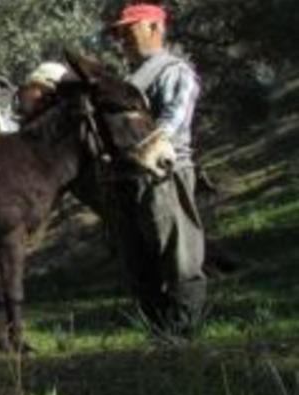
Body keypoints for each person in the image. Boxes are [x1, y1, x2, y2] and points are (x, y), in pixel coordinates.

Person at [108, 3, 207, 339]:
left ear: (154, 27)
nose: (122, 39)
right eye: (119, 34)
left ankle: (184, 337)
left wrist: (147, 144)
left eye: (128, 30)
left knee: (179, 257)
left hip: (165, 175)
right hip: (129, 180)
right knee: (139, 262)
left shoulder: (174, 70)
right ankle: (158, 336)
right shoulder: (131, 79)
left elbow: (173, 120)